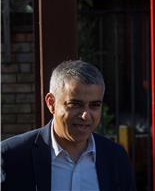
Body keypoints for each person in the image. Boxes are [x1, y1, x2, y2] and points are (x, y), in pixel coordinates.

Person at [1, 60, 136, 191]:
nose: (85, 115)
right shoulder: (12, 156)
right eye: (75, 104)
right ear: (51, 103)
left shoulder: (116, 157)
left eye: (94, 105)